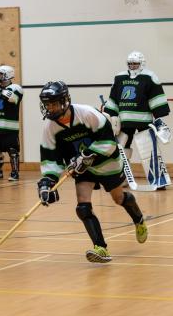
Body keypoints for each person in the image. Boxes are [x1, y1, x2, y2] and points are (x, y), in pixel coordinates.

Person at [37, 81, 148, 263]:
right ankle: (101, 248)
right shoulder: (50, 127)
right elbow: (51, 158)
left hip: (107, 163)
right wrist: (47, 182)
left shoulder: (87, 114)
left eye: (54, 103)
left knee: (119, 198)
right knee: (83, 207)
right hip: (82, 168)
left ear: (65, 101)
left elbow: (110, 143)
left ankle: (139, 219)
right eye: (47, 104)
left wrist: (88, 155)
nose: (50, 107)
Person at [103, 51, 171, 189]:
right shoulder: (119, 77)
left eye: (135, 63)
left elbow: (156, 97)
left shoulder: (149, 76)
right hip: (124, 121)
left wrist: (159, 118)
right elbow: (114, 98)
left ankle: (158, 180)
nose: (132, 66)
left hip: (144, 121)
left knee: (149, 150)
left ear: (142, 63)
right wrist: (112, 116)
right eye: (130, 63)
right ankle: (121, 179)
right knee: (120, 148)